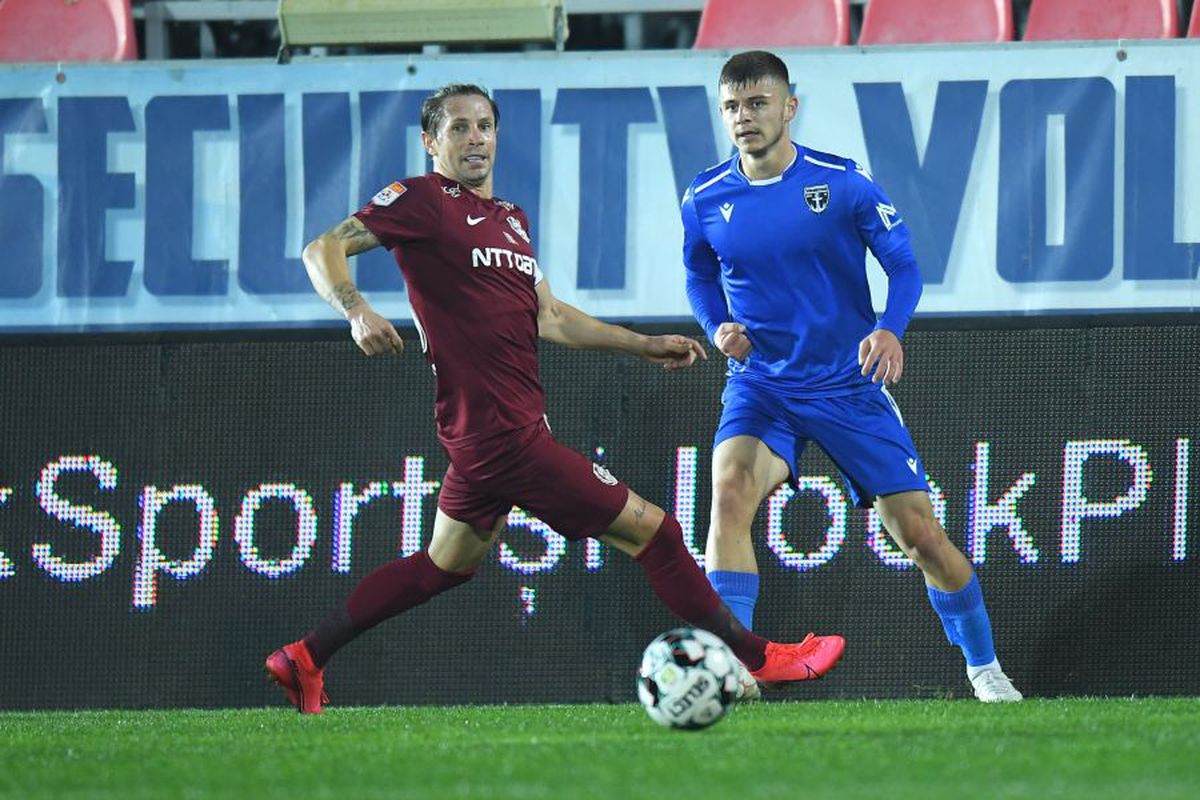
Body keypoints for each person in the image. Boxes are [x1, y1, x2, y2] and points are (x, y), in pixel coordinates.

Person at [265, 83, 845, 713]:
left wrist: (639, 345)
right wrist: (355, 309)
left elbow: (552, 317)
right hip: (501, 435)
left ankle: (305, 657)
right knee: (655, 532)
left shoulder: (510, 219)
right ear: (431, 142)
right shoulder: (422, 200)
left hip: (490, 436)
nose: (476, 138)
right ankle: (757, 657)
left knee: (441, 567)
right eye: (458, 129)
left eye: (484, 126)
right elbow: (321, 247)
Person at [681, 52, 1021, 703]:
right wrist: (716, 324)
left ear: (789, 107)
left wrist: (890, 328)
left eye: (757, 103)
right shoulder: (705, 196)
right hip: (763, 385)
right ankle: (734, 667)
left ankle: (983, 666)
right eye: (731, 106)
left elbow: (906, 268)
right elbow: (699, 272)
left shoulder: (843, 184)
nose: (744, 117)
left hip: (845, 383)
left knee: (918, 534)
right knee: (727, 491)